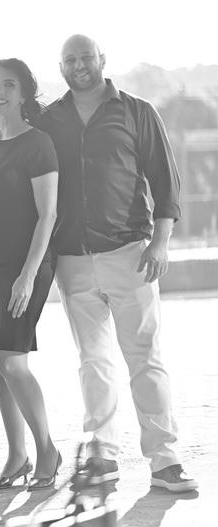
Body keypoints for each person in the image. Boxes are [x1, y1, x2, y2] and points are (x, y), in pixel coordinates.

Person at [34, 34, 198, 492]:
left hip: (131, 254)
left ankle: (164, 459)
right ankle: (102, 455)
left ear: (102, 59)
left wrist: (160, 244)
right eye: (70, 59)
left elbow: (166, 182)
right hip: (72, 259)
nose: (79, 65)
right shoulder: (49, 120)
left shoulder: (137, 111)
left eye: (86, 57)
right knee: (93, 361)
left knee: (145, 358)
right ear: (61, 67)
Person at [0, 58, 61, 491]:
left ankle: (47, 451)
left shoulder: (38, 143)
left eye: (9, 84)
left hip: (27, 263)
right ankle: (16, 456)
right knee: (0, 363)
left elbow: (48, 215)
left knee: (12, 360)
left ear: (25, 93)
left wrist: (28, 275)